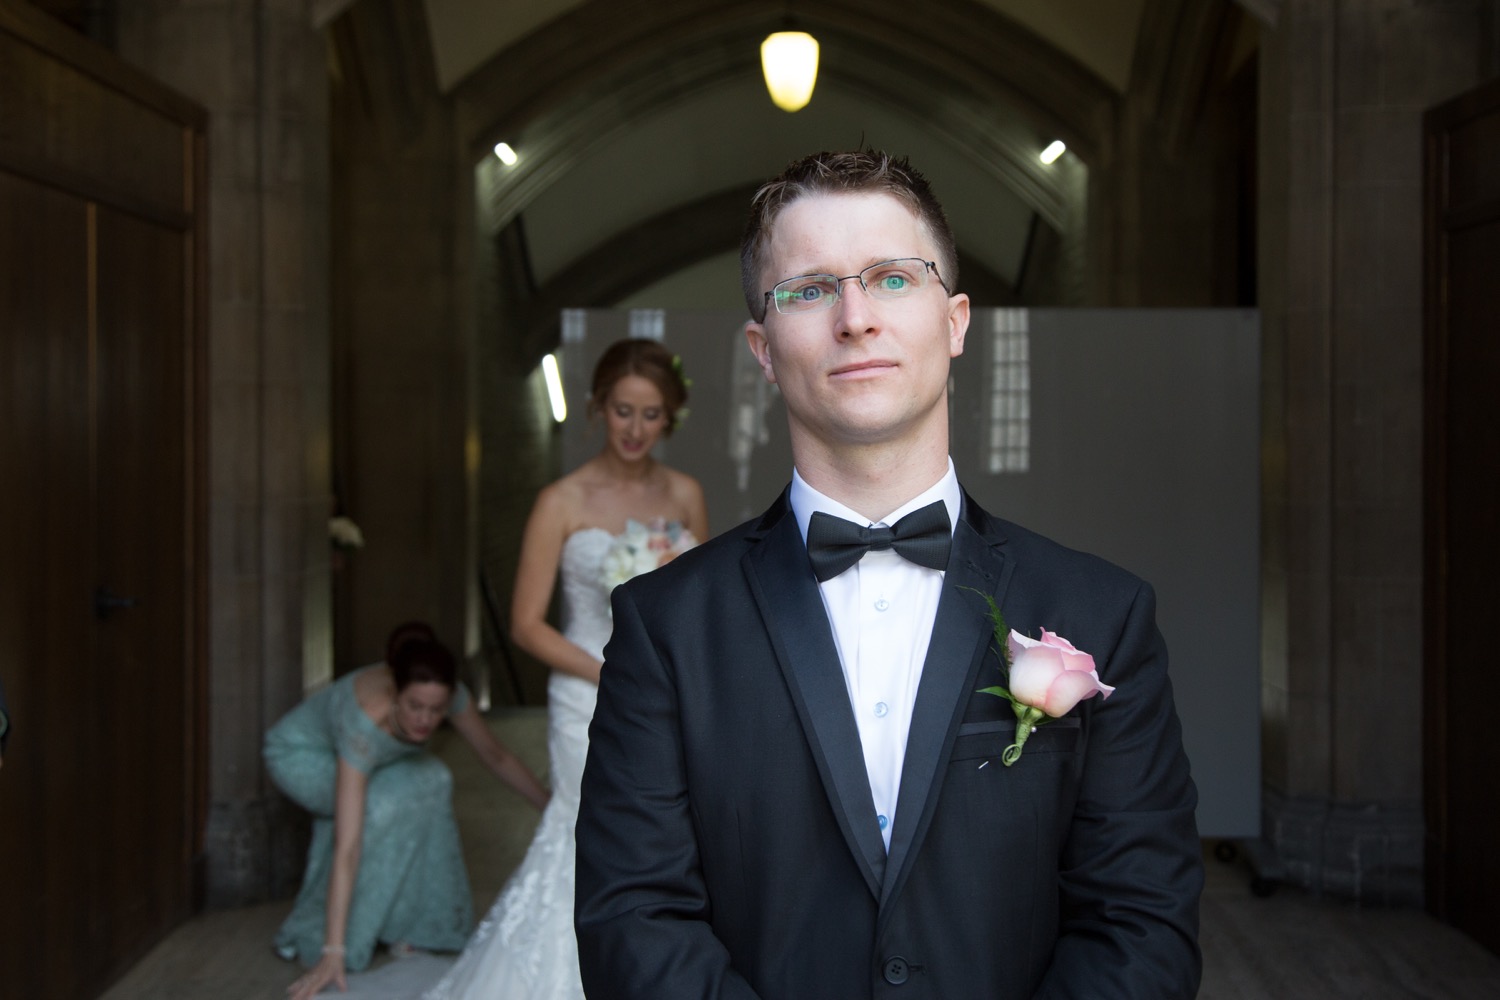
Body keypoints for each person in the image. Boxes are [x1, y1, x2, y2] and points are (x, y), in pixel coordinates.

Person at [574, 150, 1203, 998]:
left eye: (893, 278)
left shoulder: (1105, 613)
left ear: (955, 321)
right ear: (763, 349)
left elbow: (1141, 925)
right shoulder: (664, 627)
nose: (855, 317)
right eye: (809, 290)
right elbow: (632, 923)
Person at [423, 337, 707, 1000]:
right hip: (586, 693)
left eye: (651, 414)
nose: (635, 428)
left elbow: (701, 603)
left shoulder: (686, 494)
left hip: (669, 695)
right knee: (591, 830)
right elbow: (526, 625)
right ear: (597, 407)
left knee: (667, 831)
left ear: (670, 418)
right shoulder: (561, 500)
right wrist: (612, 676)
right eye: (622, 411)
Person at [266, 623, 549, 1000]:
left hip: (367, 763)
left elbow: (495, 756)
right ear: (394, 693)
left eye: (436, 710)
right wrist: (333, 952)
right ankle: (329, 932)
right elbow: (348, 846)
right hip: (299, 756)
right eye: (415, 707)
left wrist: (552, 808)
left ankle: (410, 925)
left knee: (431, 779)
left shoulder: (451, 696)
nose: (425, 720)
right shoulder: (364, 721)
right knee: (383, 805)